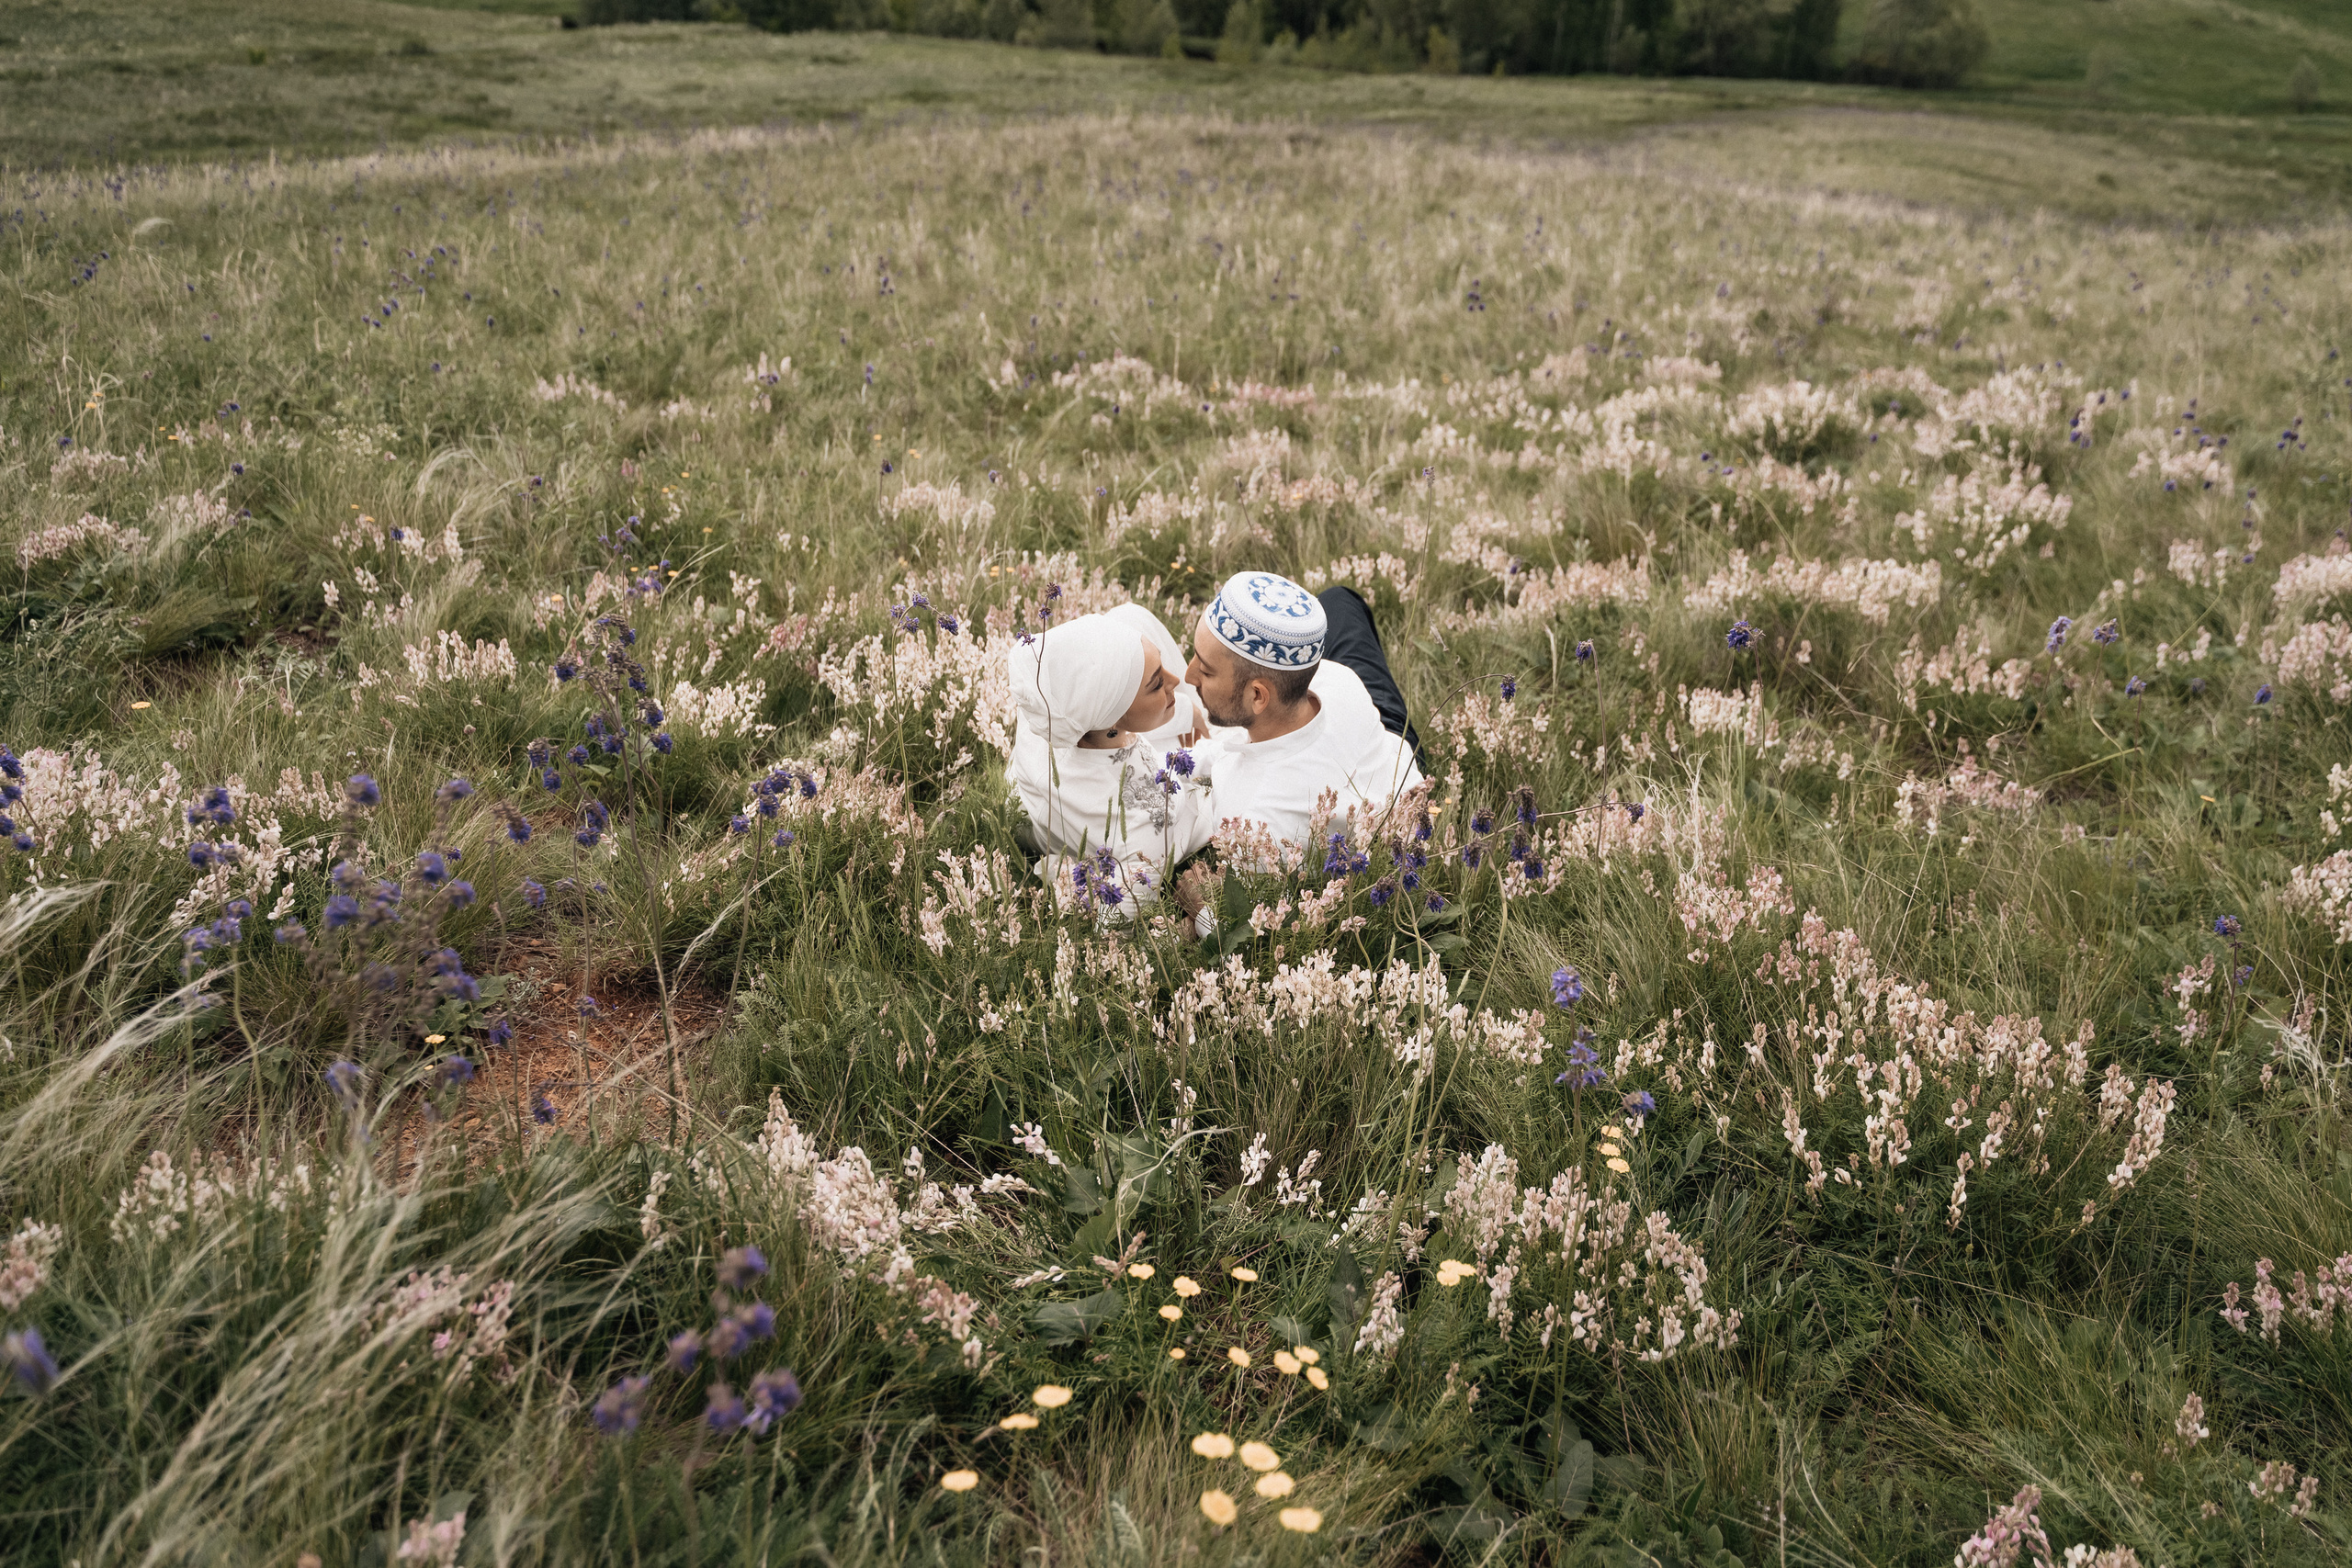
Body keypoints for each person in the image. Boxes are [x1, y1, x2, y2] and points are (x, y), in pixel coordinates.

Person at [1182, 570, 1423, 849]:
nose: (1189, 677)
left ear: (1259, 696)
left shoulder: (1253, 817)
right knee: (1339, 600)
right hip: (1387, 744)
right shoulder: (1338, 680)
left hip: (1396, 773)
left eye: (1206, 670)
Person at [1003, 603, 1216, 908]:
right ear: (1111, 715)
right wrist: (1069, 876)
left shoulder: (1047, 712)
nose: (1176, 681)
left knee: (1128, 615)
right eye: (1157, 684)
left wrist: (1185, 710)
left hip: (1127, 775)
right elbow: (1115, 920)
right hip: (1205, 811)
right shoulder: (1150, 826)